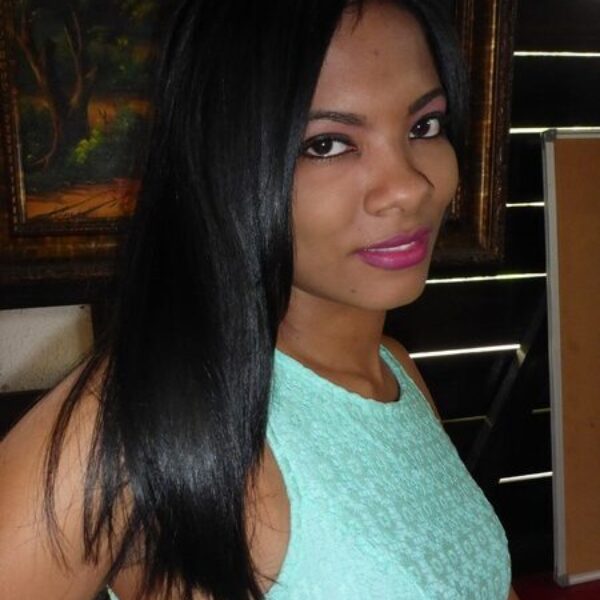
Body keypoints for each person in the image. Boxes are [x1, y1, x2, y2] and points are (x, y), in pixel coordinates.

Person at [0, 0, 521, 598]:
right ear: (225, 163)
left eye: (424, 126)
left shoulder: (394, 372)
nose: (408, 187)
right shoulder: (147, 413)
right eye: (327, 144)